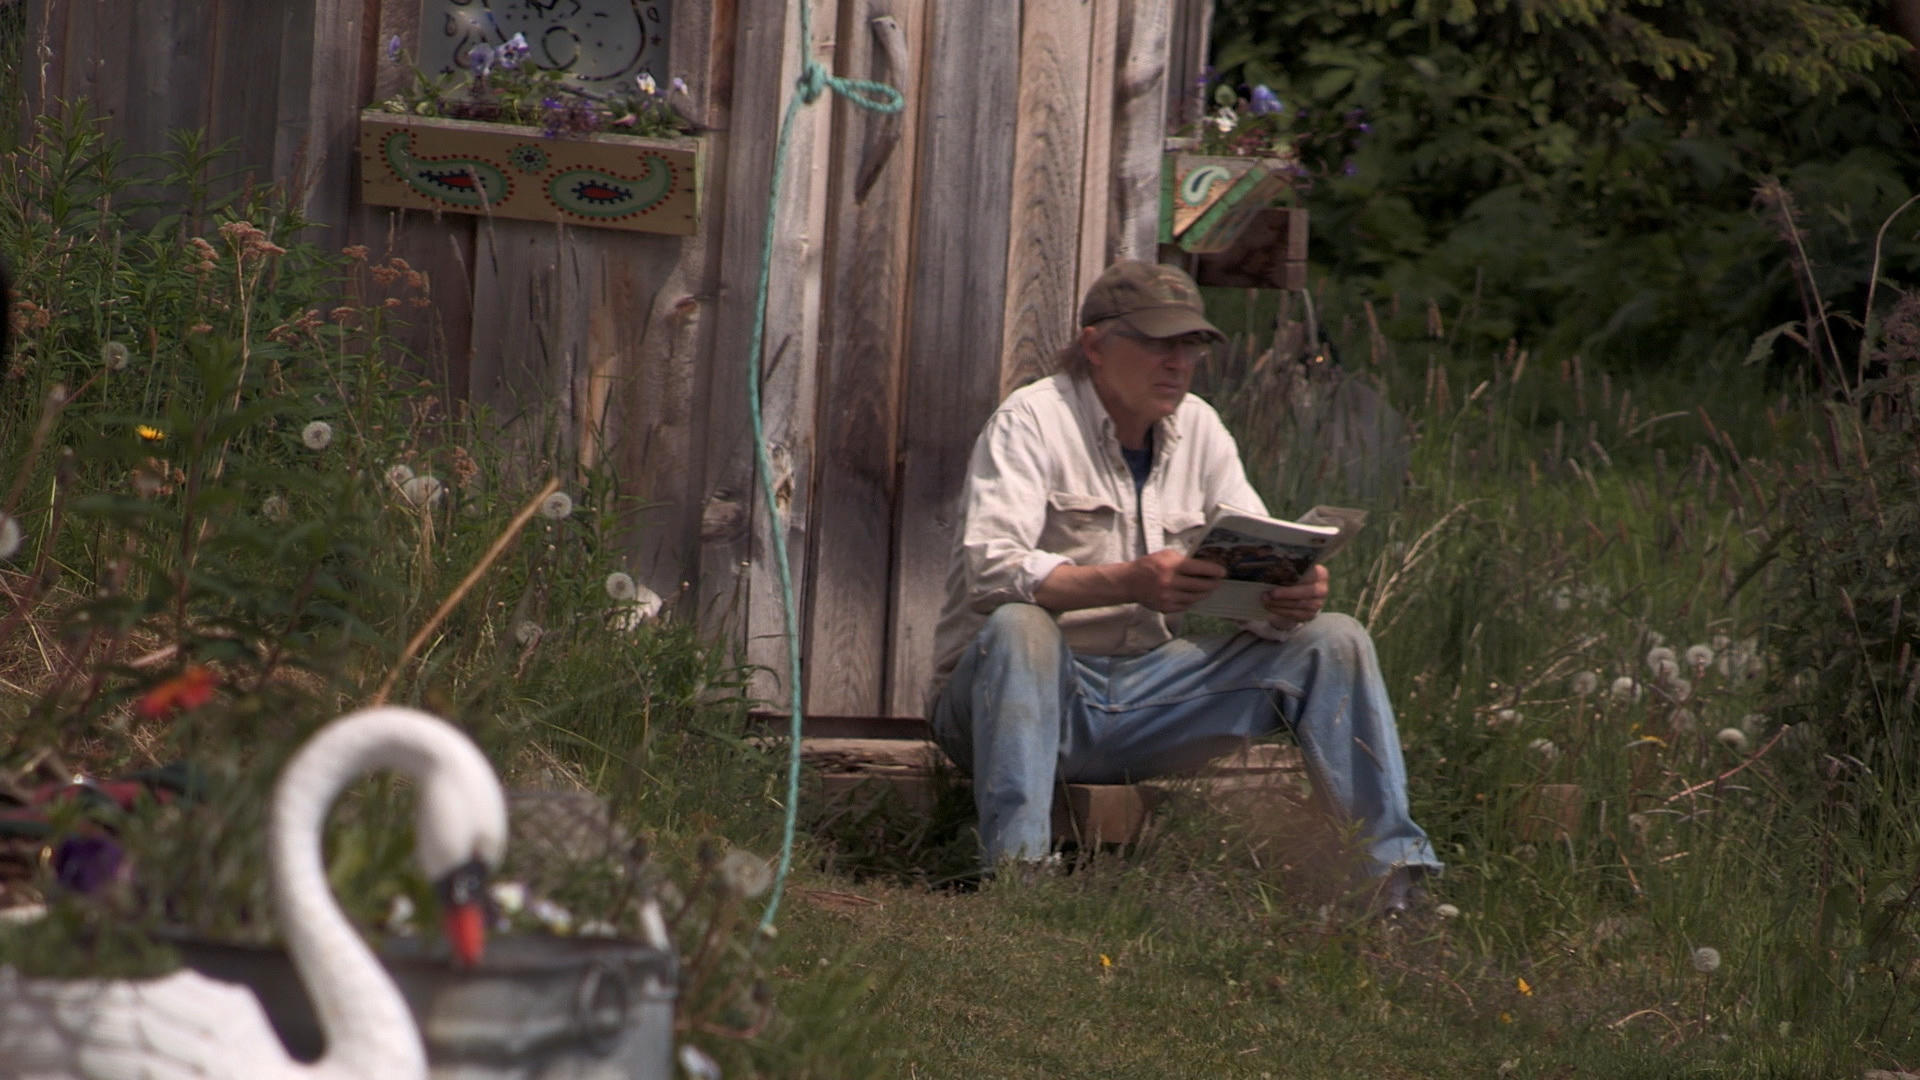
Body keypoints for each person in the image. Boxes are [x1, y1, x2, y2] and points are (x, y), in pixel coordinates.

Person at [927, 259, 1440, 911]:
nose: (1178, 362)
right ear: (1095, 345)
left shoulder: (1202, 428)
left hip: (1146, 696)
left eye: (1191, 345)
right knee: (1019, 626)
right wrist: (1130, 581)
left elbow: (1251, 560)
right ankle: (1019, 882)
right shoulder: (1031, 419)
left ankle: (1393, 891)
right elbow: (990, 568)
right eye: (1157, 343)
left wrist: (1285, 598)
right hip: (1015, 703)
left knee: (1334, 639)